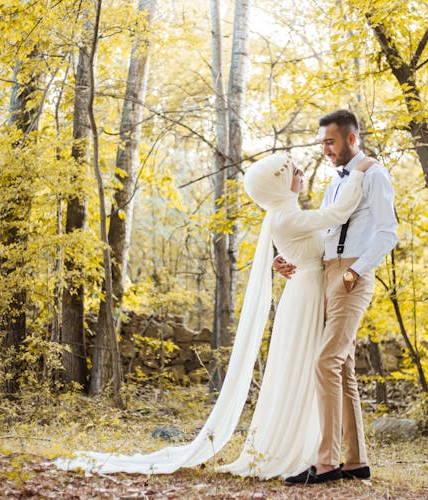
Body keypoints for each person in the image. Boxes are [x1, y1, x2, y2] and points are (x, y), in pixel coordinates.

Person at [52, 152, 377, 479]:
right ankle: (302, 450)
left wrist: (282, 258)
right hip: (306, 294)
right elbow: (338, 212)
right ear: (280, 183)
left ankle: (323, 450)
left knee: (313, 367)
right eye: (293, 171)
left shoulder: (285, 214)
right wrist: (359, 172)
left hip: (308, 289)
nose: (301, 172)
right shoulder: (286, 216)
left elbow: (317, 240)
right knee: (305, 366)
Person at [281, 109, 398, 485]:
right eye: (322, 143)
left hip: (352, 275)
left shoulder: (375, 176)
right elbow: (326, 233)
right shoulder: (335, 184)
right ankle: (355, 461)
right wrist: (289, 259)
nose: (325, 149)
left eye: (330, 142)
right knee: (342, 367)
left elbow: (387, 233)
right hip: (329, 271)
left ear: (350, 138)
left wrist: (354, 272)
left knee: (325, 361)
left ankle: (327, 461)